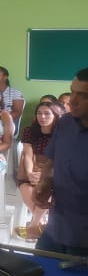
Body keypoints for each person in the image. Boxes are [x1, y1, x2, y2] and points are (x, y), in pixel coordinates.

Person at [34, 68, 88, 256]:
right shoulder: (65, 123)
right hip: (55, 229)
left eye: (83, 96)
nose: (72, 100)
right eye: (72, 91)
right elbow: (52, 160)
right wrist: (45, 182)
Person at [15, 102, 63, 240]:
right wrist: (30, 173)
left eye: (47, 114)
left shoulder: (60, 133)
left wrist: (43, 176)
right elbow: (28, 155)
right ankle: (41, 225)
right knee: (26, 188)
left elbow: (57, 158)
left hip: (51, 171)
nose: (42, 117)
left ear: (55, 116)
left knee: (44, 191)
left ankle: (34, 225)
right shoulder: (29, 131)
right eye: (39, 113)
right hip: (32, 167)